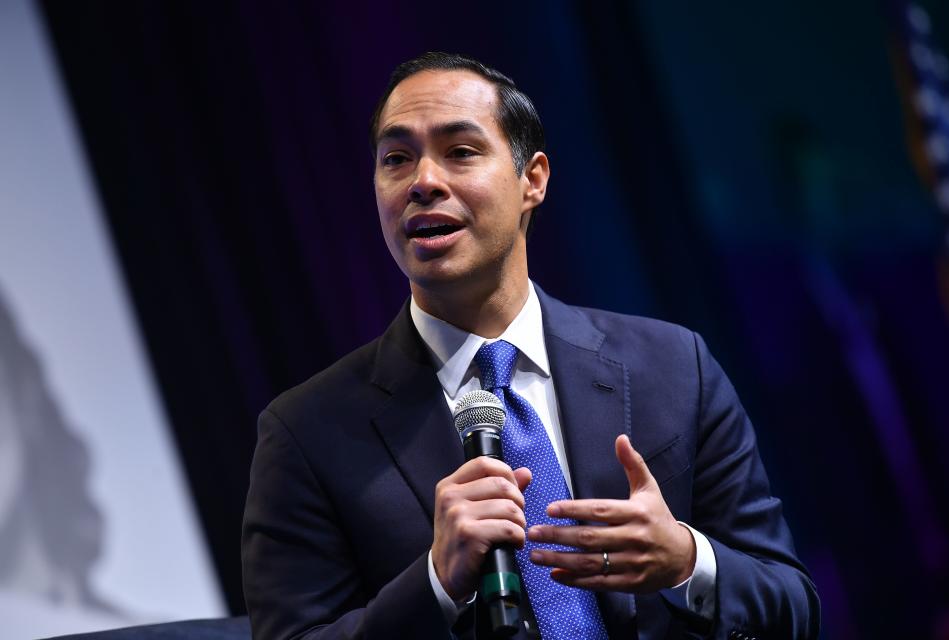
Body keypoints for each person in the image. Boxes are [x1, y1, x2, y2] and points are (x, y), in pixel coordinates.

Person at [241, 52, 820, 639]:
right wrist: (437, 583)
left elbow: (792, 607)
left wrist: (688, 563)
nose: (423, 182)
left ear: (532, 180)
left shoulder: (673, 367)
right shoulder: (306, 434)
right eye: (396, 159)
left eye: (460, 152)